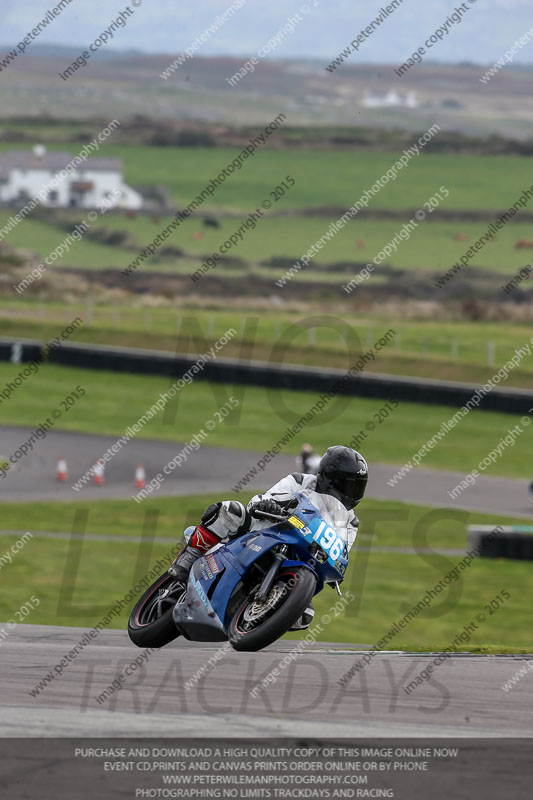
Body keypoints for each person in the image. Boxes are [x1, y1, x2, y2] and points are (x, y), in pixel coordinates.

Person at [170, 445, 368, 630]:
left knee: (303, 615)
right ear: (329, 478)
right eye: (348, 485)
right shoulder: (300, 481)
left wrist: (336, 570)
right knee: (231, 510)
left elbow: (341, 550)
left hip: (298, 557)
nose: (352, 493)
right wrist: (267, 504)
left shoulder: (351, 522)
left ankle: (253, 620)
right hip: (264, 530)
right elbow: (263, 498)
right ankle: (187, 559)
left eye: (358, 487)